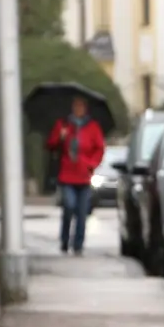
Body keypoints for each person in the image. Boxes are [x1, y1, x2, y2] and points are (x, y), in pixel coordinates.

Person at [45, 96, 105, 255]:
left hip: (84, 176)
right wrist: (61, 136)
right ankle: (65, 240)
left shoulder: (92, 127)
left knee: (82, 211)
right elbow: (50, 144)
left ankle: (78, 244)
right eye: (75, 106)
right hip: (67, 175)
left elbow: (99, 148)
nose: (78, 109)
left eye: (81, 106)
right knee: (69, 206)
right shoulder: (64, 125)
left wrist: (91, 163)